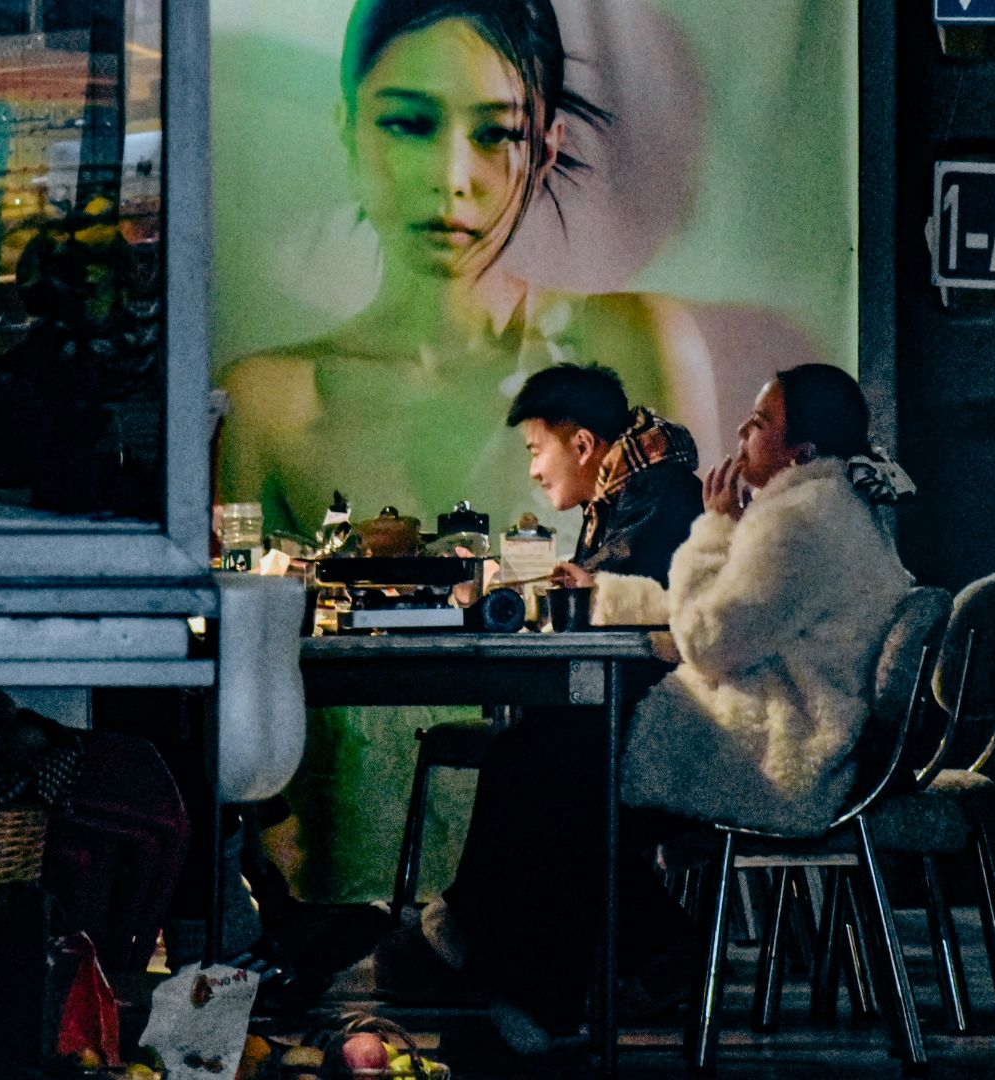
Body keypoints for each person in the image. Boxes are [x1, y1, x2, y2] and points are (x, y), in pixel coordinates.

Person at [217, 0, 820, 909]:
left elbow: (690, 625)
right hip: (339, 905)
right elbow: (241, 690)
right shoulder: (271, 399)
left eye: (493, 134)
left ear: (545, 144)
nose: (451, 178)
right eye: (409, 123)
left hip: (585, 870)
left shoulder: (638, 345)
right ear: (350, 128)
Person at [384, 363, 913, 1055]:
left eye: (759, 424)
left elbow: (707, 638)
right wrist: (609, 595)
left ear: (801, 453)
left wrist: (716, 530)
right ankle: (536, 969)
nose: (743, 434)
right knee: (545, 754)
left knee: (553, 765)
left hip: (781, 751)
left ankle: (529, 987)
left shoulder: (799, 524)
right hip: (787, 727)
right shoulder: (822, 510)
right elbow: (714, 616)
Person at [506, 363, 702, 586]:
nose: (534, 471)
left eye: (536, 452)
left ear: (583, 446)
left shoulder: (655, 494)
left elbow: (603, 594)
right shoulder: (613, 500)